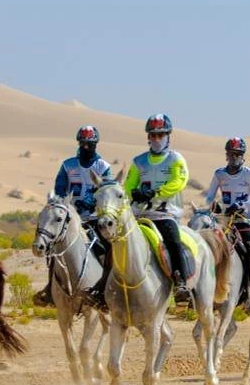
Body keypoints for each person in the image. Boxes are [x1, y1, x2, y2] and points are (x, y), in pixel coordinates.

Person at [34, 125, 115, 307]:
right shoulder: (68, 165)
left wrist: (92, 202)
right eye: (83, 143)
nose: (86, 147)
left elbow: (107, 190)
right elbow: (59, 189)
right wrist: (67, 203)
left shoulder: (103, 167)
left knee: (107, 248)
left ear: (95, 144)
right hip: (71, 219)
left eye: (90, 144)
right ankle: (50, 289)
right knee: (55, 249)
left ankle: (106, 289)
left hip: (95, 218)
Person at [123, 114, 191, 306]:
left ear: (168, 136)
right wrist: (134, 193)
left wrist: (155, 193)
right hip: (139, 215)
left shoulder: (175, 159)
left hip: (165, 214)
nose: (156, 139)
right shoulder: (139, 161)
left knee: (173, 241)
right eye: (153, 135)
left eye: (160, 135)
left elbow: (179, 182)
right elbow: (128, 185)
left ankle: (181, 283)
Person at [206, 137, 250, 310]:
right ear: (226, 155)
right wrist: (212, 205)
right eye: (231, 154)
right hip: (223, 219)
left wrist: (241, 205)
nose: (234, 157)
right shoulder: (219, 174)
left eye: (237, 154)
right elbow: (209, 196)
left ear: (242, 155)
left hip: (243, 219)